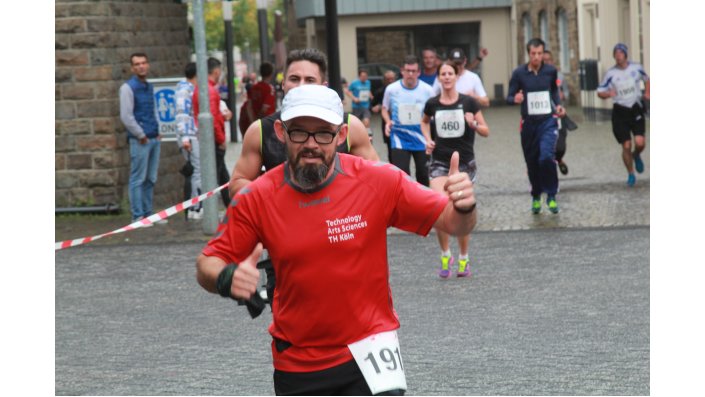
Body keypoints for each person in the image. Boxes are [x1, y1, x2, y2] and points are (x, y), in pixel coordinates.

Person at [196, 84, 478, 395]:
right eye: (299, 133)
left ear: (342, 135)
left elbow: (455, 224)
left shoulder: (378, 181)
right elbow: (207, 263)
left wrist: (464, 205)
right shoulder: (257, 196)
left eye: (324, 134)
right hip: (299, 361)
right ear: (280, 132)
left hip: (372, 351)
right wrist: (225, 278)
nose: (311, 144)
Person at [228, 48, 379, 198]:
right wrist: (275, 195)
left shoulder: (350, 126)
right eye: (294, 79)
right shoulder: (260, 130)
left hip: (337, 218)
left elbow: (376, 178)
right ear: (283, 84)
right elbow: (237, 184)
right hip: (282, 219)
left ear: (323, 86)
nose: (301, 86)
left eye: (310, 80)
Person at [422, 60, 489, 278]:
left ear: (456, 77)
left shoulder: (469, 103)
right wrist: (428, 139)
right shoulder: (432, 103)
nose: (447, 77)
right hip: (440, 162)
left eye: (451, 73)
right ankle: (445, 254)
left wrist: (474, 125)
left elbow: (486, 131)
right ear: (439, 78)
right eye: (444, 73)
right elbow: (423, 122)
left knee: (461, 208)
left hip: (464, 163)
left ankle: (463, 257)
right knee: (437, 208)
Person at [507, 38, 566, 214]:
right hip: (529, 124)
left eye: (540, 53)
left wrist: (559, 105)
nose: (537, 57)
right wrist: (514, 99)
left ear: (543, 53)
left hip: (548, 121)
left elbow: (554, 92)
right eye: (533, 54)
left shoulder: (550, 71)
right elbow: (509, 97)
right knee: (532, 163)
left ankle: (551, 194)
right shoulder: (519, 73)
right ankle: (535, 195)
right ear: (528, 54)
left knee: (546, 157)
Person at [119, 53, 166, 225]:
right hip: (141, 140)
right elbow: (126, 116)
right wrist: (141, 134)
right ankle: (138, 216)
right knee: (138, 178)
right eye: (137, 64)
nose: (141, 66)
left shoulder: (148, 87)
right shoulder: (127, 88)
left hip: (153, 137)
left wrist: (158, 130)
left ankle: (148, 214)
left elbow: (152, 110)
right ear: (132, 68)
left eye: (144, 63)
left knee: (150, 178)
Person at [597, 43, 650, 187]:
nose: (618, 56)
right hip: (620, 111)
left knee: (640, 142)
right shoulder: (610, 74)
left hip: (635, 108)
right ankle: (631, 173)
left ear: (626, 54)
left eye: (621, 53)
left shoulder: (636, 68)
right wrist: (608, 93)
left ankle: (636, 154)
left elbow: (647, 79)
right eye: (616, 53)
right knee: (626, 145)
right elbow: (600, 91)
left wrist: (647, 92)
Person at [382, 55, 434, 186]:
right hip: (399, 138)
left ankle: (424, 203)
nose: (410, 74)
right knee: (402, 175)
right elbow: (384, 109)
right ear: (402, 71)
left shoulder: (428, 90)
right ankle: (406, 204)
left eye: (414, 71)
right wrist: (388, 121)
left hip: (421, 138)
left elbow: (433, 113)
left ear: (419, 72)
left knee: (423, 174)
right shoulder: (392, 89)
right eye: (408, 71)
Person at [193, 57, 230, 208]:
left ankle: (231, 207)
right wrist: (221, 140)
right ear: (216, 71)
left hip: (209, 139)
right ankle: (209, 209)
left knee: (222, 177)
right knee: (214, 177)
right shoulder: (210, 91)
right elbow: (213, 120)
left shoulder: (202, 89)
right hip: (213, 141)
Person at [175, 62, 202, 220]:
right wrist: (185, 138)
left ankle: (195, 206)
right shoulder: (185, 90)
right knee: (196, 173)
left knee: (196, 172)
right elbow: (182, 114)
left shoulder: (189, 88)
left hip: (192, 135)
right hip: (190, 136)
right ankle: (195, 207)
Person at [543, 50, 576, 176]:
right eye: (544, 60)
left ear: (552, 61)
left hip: (559, 116)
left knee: (560, 146)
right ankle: (547, 172)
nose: (546, 62)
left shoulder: (560, 77)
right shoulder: (537, 77)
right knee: (545, 146)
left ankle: (559, 159)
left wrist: (563, 96)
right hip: (544, 116)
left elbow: (566, 94)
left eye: (548, 60)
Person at [239, 62, 277, 136]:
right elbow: (264, 108)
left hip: (254, 123)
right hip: (267, 124)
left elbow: (248, 106)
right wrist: (258, 120)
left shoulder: (254, 87)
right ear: (271, 74)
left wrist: (253, 121)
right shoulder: (270, 89)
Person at [370, 70, 398, 162]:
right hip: (387, 123)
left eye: (392, 79)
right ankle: (393, 166)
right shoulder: (380, 92)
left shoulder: (401, 90)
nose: (390, 81)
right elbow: (371, 105)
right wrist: (376, 107)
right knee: (390, 146)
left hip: (400, 122)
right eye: (388, 79)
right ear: (384, 80)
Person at [345, 68, 373, 138]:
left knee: (366, 121)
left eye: (365, 76)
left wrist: (370, 95)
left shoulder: (368, 82)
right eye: (362, 76)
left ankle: (366, 138)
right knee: (357, 124)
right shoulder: (354, 83)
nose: (364, 78)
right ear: (359, 76)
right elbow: (348, 91)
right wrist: (354, 98)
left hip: (366, 106)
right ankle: (357, 137)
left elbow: (368, 90)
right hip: (357, 106)